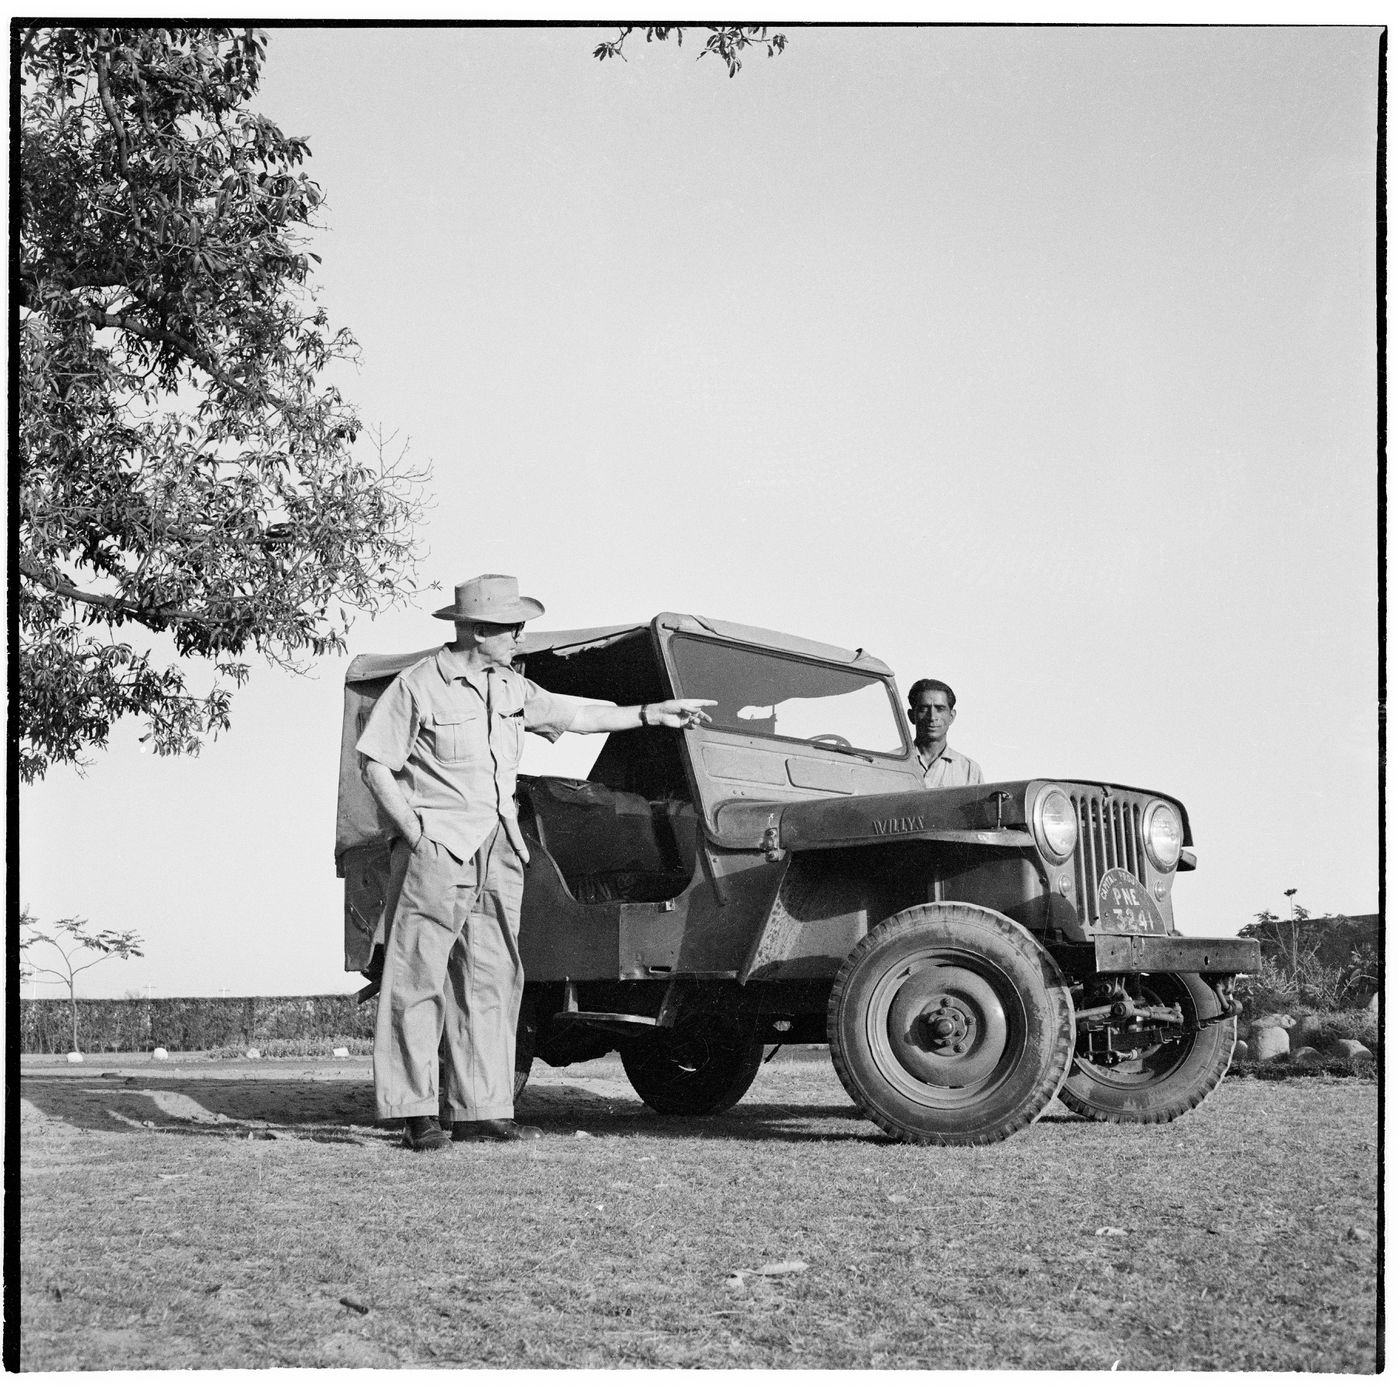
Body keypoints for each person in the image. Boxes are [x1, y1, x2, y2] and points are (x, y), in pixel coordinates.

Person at [356, 574, 714, 1152]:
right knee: (418, 978)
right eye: (509, 625)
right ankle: (415, 1110)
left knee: (493, 979)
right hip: (439, 851)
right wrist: (416, 831)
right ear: (474, 628)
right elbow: (375, 762)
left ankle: (481, 1108)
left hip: (501, 849)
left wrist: (654, 714)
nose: (520, 634)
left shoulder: (511, 686)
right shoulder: (419, 685)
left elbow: (576, 715)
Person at [907, 678, 983, 788]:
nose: (932, 717)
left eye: (940, 709)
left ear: (951, 716)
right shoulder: (891, 764)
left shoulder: (969, 770)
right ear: (911, 715)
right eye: (923, 709)